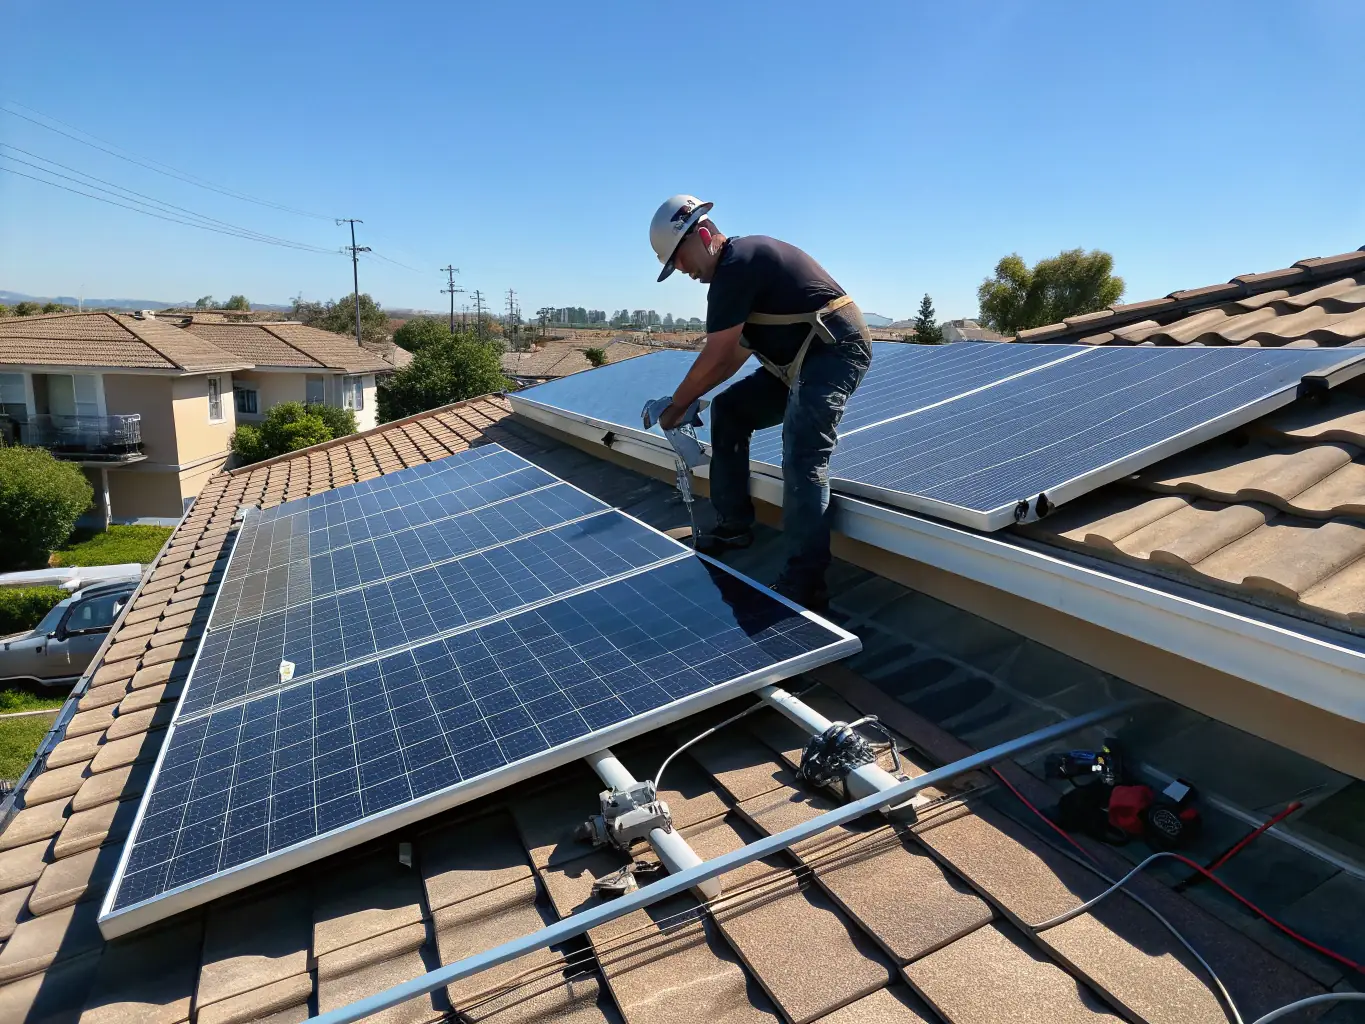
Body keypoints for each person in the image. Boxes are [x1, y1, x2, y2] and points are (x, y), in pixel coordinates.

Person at [649, 194, 872, 611]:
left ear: (703, 235)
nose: (681, 270)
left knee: (803, 454)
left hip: (834, 350)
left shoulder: (740, 262)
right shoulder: (734, 276)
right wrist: (689, 399)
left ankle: (805, 584)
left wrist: (677, 406)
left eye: (678, 258)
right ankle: (734, 525)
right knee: (732, 410)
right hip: (799, 362)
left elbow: (715, 356)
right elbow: (732, 357)